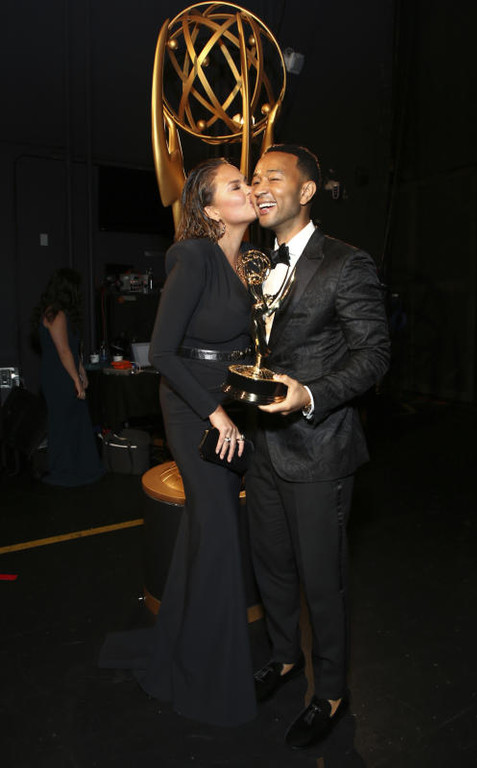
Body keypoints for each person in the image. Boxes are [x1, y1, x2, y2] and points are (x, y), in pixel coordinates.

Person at [99, 157, 258, 727]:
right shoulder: (192, 255)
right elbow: (163, 352)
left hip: (232, 404)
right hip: (196, 410)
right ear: (210, 209)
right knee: (219, 539)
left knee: (204, 535)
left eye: (247, 181)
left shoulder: (249, 262)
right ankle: (207, 680)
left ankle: (177, 648)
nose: (250, 188)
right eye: (236, 185)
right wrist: (216, 415)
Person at [245, 144, 391, 748]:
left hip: (319, 448)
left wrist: (309, 394)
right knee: (272, 568)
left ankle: (331, 691)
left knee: (322, 581)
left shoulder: (347, 264)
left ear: (306, 192)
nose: (258, 186)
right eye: (254, 177)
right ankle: (285, 658)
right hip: (262, 447)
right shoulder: (257, 262)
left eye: (273, 177)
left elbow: (374, 356)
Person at [32, 268, 105, 487]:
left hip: (65, 373)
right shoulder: (55, 314)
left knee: (77, 420)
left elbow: (72, 350)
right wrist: (76, 380)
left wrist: (81, 373)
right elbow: (63, 351)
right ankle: (65, 469)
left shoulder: (62, 314)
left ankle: (81, 467)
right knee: (62, 423)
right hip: (58, 376)